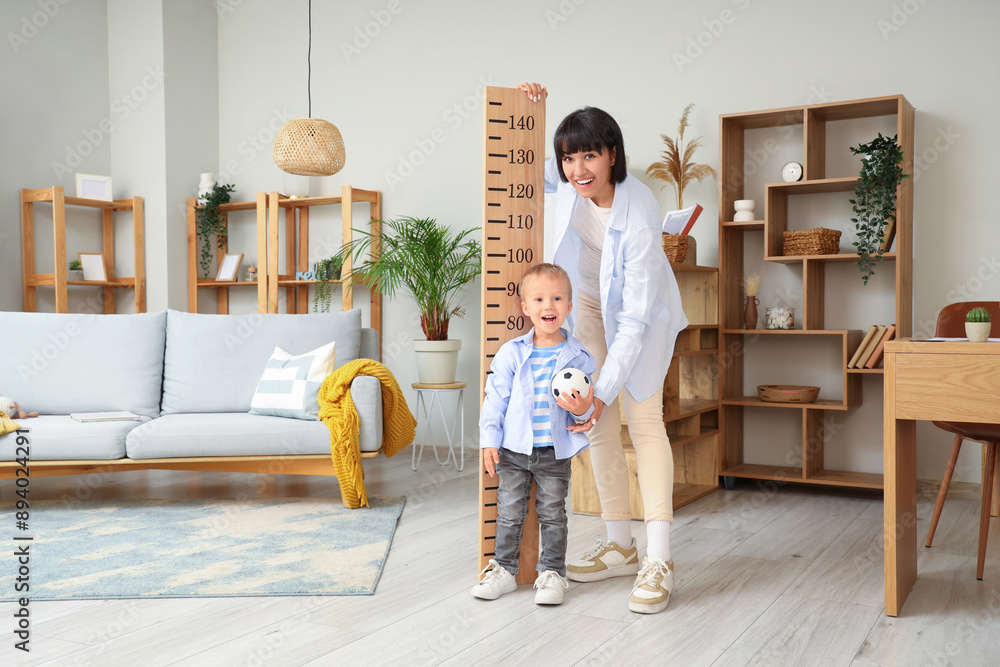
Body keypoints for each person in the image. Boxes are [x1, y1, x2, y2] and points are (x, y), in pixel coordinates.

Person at [517, 82, 689, 614]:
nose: (578, 169)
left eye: (589, 154)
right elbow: (531, 168)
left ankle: (657, 558)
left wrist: (601, 390)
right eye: (570, 158)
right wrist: (529, 106)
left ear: (613, 153)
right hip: (588, 305)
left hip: (641, 319)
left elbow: (634, 319)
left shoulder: (639, 213)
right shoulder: (568, 178)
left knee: (643, 422)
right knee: (597, 426)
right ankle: (619, 543)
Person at [473, 263, 596, 606]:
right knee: (510, 511)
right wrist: (489, 440)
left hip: (555, 453)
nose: (549, 306)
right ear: (525, 307)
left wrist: (582, 409)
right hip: (513, 450)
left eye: (557, 298)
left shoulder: (580, 358)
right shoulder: (512, 353)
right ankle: (504, 571)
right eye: (539, 299)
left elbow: (586, 412)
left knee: (553, 514)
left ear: (569, 306)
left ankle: (553, 572)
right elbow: (494, 399)